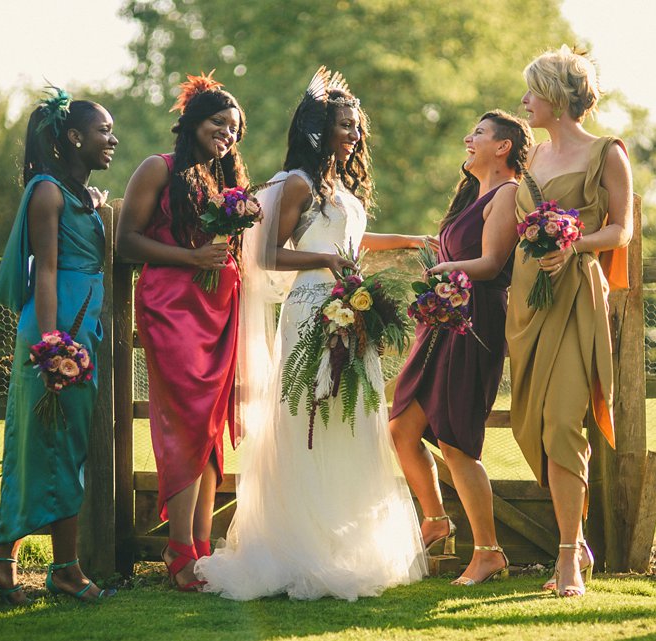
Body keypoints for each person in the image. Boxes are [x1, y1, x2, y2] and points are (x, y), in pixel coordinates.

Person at [194, 67, 428, 601]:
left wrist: (411, 240)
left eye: (357, 125)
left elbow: (352, 238)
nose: (355, 134)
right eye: (346, 124)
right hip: (309, 308)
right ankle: (299, 542)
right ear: (320, 129)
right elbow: (267, 253)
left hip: (349, 305)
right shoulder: (296, 182)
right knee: (311, 416)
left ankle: (342, 543)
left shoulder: (339, 186)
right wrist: (326, 259)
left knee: (352, 417)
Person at [507, 46, 633, 597]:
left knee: (562, 424)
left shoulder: (608, 153)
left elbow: (621, 231)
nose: (524, 101)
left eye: (532, 91)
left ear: (557, 97)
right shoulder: (531, 157)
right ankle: (573, 535)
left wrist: (574, 242)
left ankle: (568, 561)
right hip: (527, 299)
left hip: (577, 295)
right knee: (529, 424)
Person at [114, 72, 248, 592]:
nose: (227, 134)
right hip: (171, 305)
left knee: (210, 425)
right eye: (218, 123)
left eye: (234, 128)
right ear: (193, 123)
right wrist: (193, 257)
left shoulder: (225, 181)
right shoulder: (158, 168)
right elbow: (128, 242)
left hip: (219, 306)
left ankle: (200, 546)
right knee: (186, 419)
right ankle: (178, 550)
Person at [0, 88, 118, 603]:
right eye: (104, 131)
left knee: (68, 448)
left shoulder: (81, 196)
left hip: (81, 330)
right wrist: (50, 346)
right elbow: (45, 272)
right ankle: (36, 566)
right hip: (56, 332)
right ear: (73, 136)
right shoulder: (47, 192)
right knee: (37, 448)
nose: (113, 139)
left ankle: (37, 566)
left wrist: (98, 209)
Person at [389, 110, 532, 586]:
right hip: (443, 319)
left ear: (503, 147)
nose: (468, 138)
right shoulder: (475, 195)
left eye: (479, 133)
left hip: (475, 320)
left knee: (455, 438)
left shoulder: (508, 193)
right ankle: (435, 520)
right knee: (402, 427)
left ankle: (488, 552)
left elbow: (491, 264)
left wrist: (439, 273)